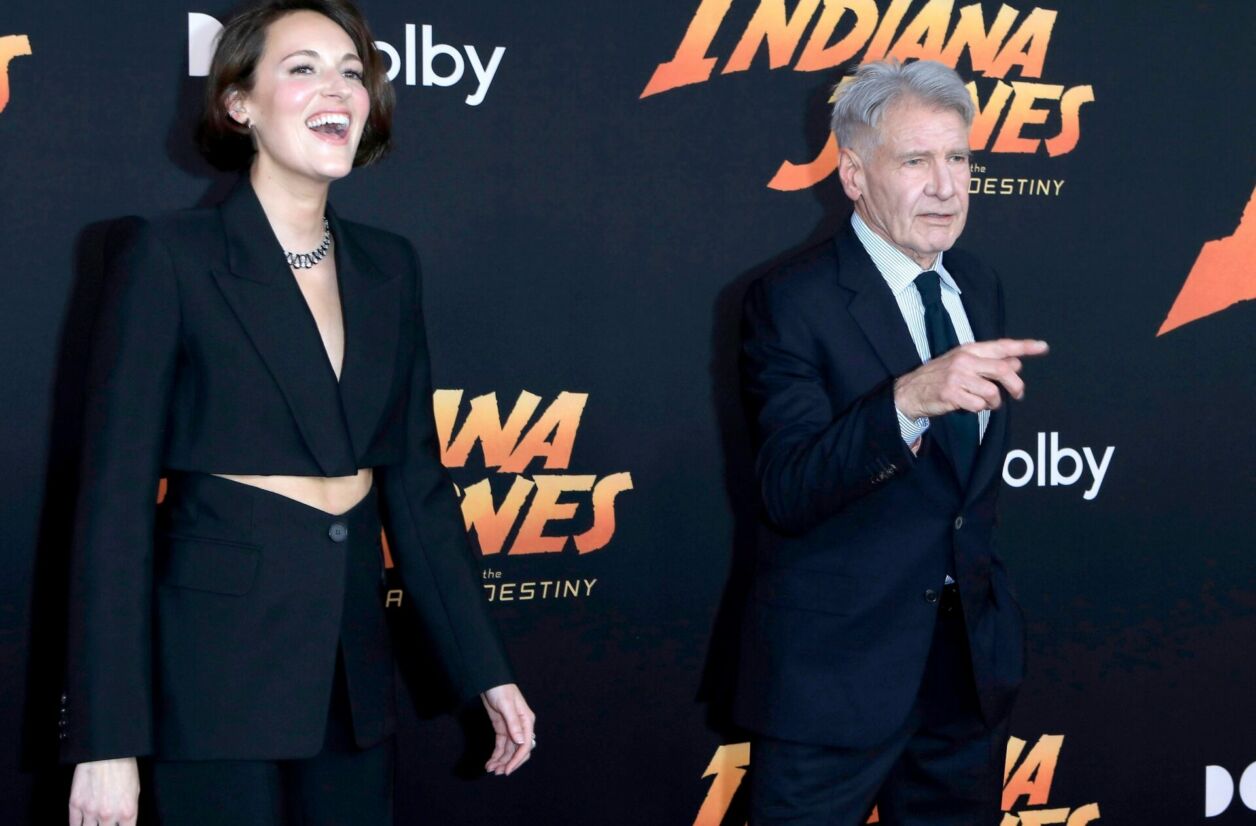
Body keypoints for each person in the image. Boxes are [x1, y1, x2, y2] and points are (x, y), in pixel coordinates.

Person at [60, 2, 535, 823]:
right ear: (238, 103)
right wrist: (106, 739)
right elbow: (113, 509)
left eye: (353, 71)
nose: (339, 89)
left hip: (351, 676)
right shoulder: (168, 255)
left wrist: (483, 666)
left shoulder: (390, 266)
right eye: (303, 67)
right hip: (211, 676)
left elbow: (418, 488)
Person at [734, 59, 1048, 824]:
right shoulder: (791, 300)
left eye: (959, 158)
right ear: (852, 175)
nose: (946, 185)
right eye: (916, 160)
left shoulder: (979, 283)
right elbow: (788, 487)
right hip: (834, 683)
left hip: (965, 681)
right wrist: (908, 399)